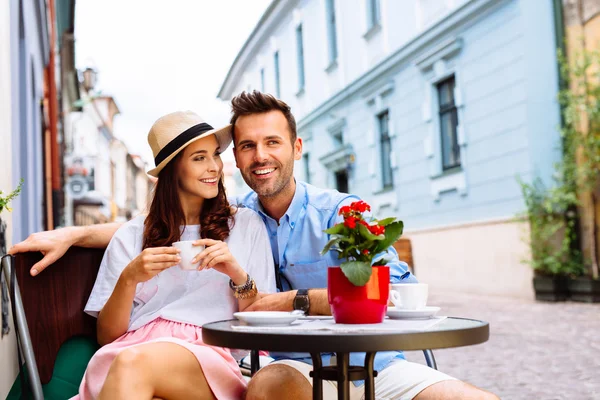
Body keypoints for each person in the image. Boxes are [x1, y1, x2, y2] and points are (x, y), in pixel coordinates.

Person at [11, 92, 498, 400]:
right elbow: (153, 230)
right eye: (245, 147)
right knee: (259, 385)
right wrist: (74, 233)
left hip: (375, 366)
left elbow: (390, 293)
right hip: (288, 369)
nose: (258, 156)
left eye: (272, 143)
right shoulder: (241, 217)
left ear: (297, 148)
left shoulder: (336, 215)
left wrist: (292, 295)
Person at [72, 111, 276, 399]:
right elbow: (108, 337)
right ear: (172, 170)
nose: (214, 167)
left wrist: (235, 272)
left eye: (215, 154)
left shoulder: (245, 225)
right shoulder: (130, 235)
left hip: (207, 354)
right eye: (198, 158)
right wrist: (130, 278)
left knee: (133, 364)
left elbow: (261, 318)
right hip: (128, 351)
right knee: (130, 363)